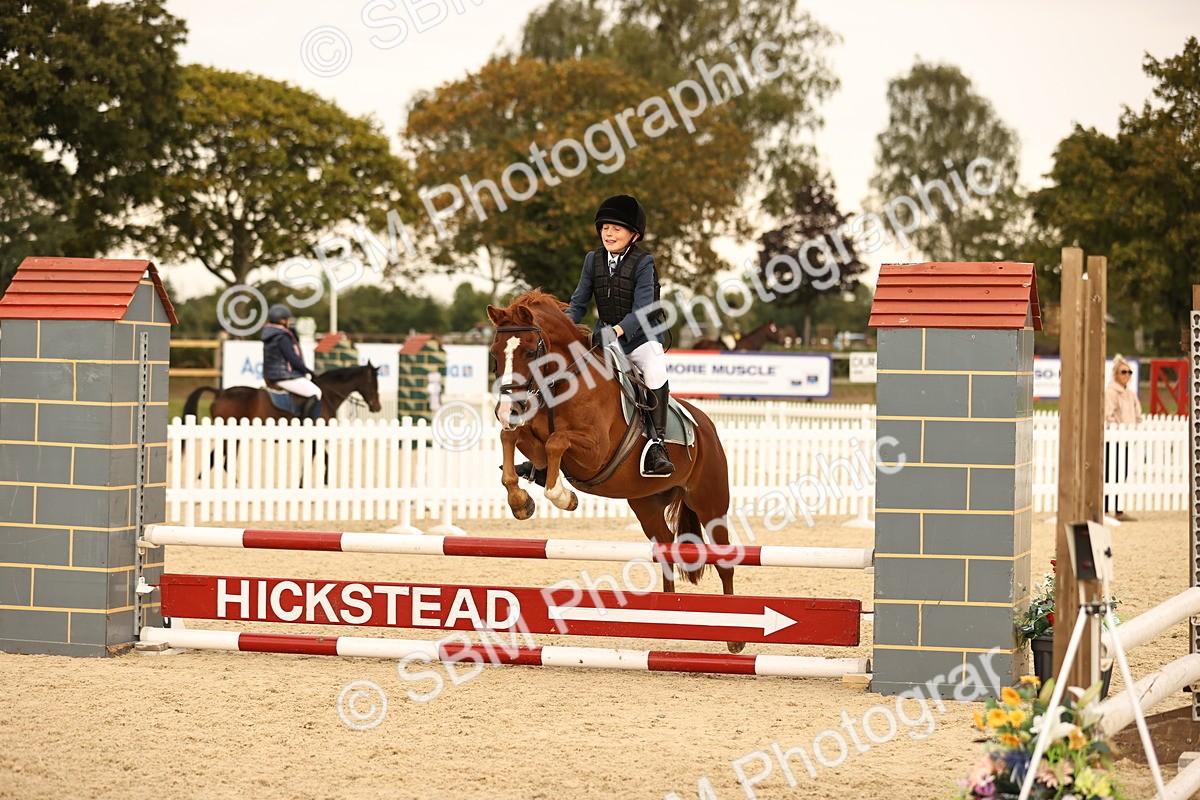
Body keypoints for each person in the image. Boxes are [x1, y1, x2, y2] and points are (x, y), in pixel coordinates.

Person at [514, 194, 674, 483]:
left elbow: (643, 309)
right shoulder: (593, 260)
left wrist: (617, 331)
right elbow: (577, 304)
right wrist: (554, 326)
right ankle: (542, 460)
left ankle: (657, 446)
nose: (609, 234)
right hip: (603, 336)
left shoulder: (644, 262)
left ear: (633, 234)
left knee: (654, 370)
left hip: (640, 338)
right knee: (565, 373)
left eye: (617, 229)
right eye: (605, 228)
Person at [261, 304, 322, 421]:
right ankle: (302, 424)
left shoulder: (271, 334)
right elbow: (293, 359)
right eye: (287, 319)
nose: (289, 321)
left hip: (273, 375)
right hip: (284, 376)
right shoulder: (282, 336)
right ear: (282, 320)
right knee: (316, 392)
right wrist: (309, 372)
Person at [1103, 355, 1142, 521]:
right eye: (1123, 372)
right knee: (1109, 473)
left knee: (1122, 473)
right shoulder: (1111, 392)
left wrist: (1133, 427)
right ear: (1116, 374)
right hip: (1114, 440)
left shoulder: (1130, 394)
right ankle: (1104, 508)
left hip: (1127, 440)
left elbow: (1138, 413)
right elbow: (1107, 414)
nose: (1127, 375)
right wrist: (1117, 429)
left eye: (1129, 372)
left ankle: (1118, 509)